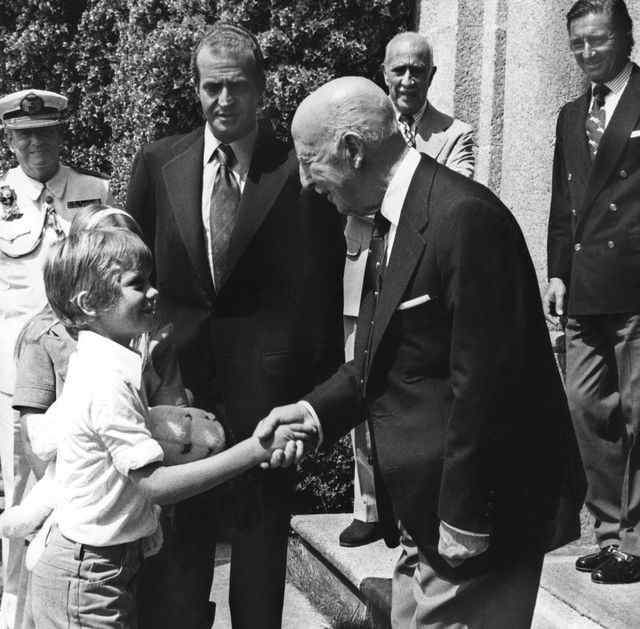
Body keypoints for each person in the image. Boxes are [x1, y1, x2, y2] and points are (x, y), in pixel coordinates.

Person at [258, 76, 582, 628]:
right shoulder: (392, 218)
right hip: (423, 517)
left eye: (312, 162)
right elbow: (381, 358)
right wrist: (313, 413)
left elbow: (487, 385)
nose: (309, 185)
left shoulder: (464, 220)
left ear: (354, 151)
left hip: (476, 520)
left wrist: (464, 520)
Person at [125, 22, 343, 629]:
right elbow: (131, 273)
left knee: (258, 555)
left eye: (238, 88)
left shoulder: (296, 170)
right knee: (179, 555)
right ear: (195, 89)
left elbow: (322, 292)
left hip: (266, 400)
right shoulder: (158, 161)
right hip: (177, 394)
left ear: (261, 89)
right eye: (211, 88)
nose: (224, 102)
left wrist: (312, 401)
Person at [29, 227, 308, 629]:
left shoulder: (110, 365)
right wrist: (256, 450)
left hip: (100, 566)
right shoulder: (105, 381)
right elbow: (155, 484)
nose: (154, 292)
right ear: (90, 303)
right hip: (85, 577)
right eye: (136, 285)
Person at [340, 30, 476, 548]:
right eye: (398, 69)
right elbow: (352, 196)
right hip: (362, 277)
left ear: (432, 76)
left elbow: (446, 195)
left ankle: (410, 502)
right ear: (384, 73)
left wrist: (391, 178)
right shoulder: (360, 128)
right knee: (360, 384)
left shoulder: (454, 132)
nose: (408, 79)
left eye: (418, 69)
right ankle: (368, 506)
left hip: (421, 284)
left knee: (411, 390)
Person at [0, 89, 112, 629]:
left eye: (46, 131)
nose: (36, 143)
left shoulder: (97, 192)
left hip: (85, 374)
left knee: (88, 498)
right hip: (18, 384)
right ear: (10, 137)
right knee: (23, 504)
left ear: (63, 133)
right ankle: (17, 616)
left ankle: (73, 611)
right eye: (25, 134)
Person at [544, 0, 640, 585]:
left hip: (635, 286)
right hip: (583, 290)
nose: (586, 54)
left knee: (639, 412)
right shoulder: (570, 114)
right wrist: (557, 272)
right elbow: (563, 204)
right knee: (586, 409)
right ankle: (609, 532)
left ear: (626, 37)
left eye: (597, 41)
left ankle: (636, 538)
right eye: (578, 44)